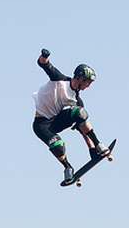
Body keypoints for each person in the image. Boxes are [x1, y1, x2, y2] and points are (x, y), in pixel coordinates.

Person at [32, 48, 110, 183]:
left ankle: (98, 144)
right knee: (58, 146)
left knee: (80, 112)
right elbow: (43, 64)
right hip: (41, 125)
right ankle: (67, 167)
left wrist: (91, 148)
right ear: (80, 78)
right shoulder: (59, 79)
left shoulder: (76, 99)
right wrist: (44, 56)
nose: (88, 86)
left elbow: (82, 128)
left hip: (56, 120)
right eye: (88, 82)